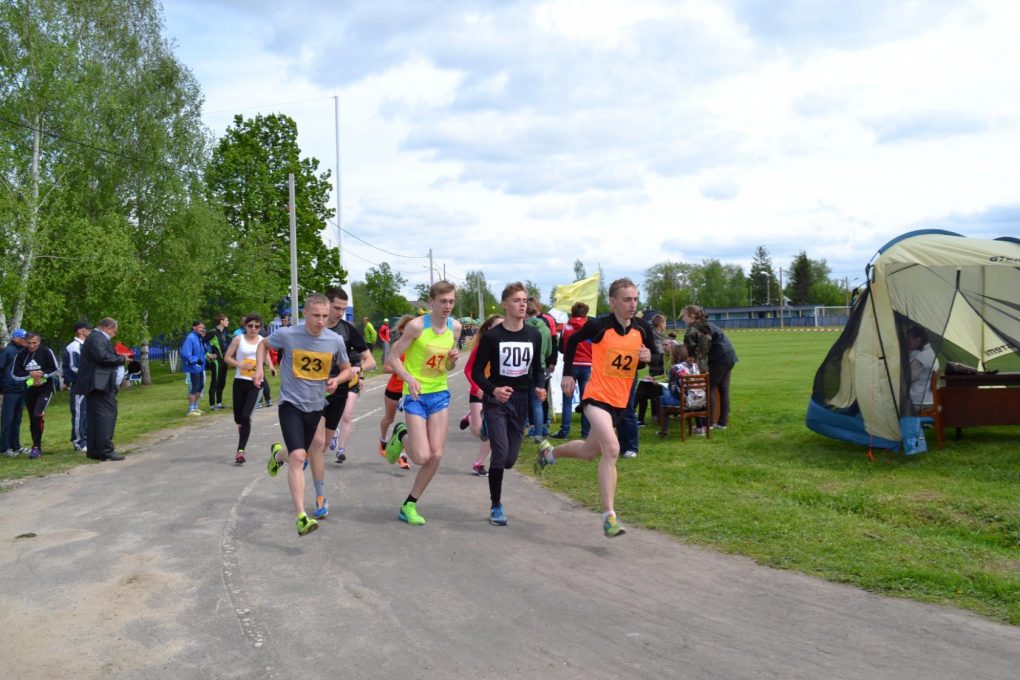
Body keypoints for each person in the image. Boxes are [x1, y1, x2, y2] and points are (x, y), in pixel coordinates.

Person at [537, 278, 658, 538]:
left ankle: (549, 453)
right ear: (613, 302)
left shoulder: (643, 329)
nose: (632, 304)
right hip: (597, 397)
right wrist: (567, 374)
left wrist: (649, 358)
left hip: (621, 401)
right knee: (612, 449)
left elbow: (654, 360)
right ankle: (609, 517)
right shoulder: (598, 326)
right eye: (627, 299)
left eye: (635, 299)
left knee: (589, 451)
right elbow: (569, 343)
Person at [254, 294, 351, 536]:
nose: (320, 321)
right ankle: (301, 517)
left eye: (324, 316)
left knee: (301, 453)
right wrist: (259, 369)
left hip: (316, 406)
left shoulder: (335, 340)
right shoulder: (288, 334)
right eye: (316, 316)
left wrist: (337, 380)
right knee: (299, 458)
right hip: (290, 404)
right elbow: (263, 344)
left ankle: (278, 455)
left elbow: (347, 370)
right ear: (305, 314)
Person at [383, 280, 461, 526]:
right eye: (443, 301)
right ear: (431, 302)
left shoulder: (455, 328)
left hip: (439, 393)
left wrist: (452, 361)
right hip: (416, 395)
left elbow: (447, 366)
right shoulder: (417, 327)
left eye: (451, 301)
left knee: (435, 456)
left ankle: (409, 504)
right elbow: (392, 357)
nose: (448, 306)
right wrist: (408, 378)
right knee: (420, 456)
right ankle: (400, 433)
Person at [471, 284, 545, 526]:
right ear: (505, 304)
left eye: (524, 300)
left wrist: (540, 386)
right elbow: (476, 371)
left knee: (510, 460)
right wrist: (494, 390)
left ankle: (489, 429)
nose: (522, 304)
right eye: (516, 300)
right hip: (497, 400)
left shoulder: (533, 335)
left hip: (521, 400)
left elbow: (537, 369)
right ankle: (496, 505)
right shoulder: (494, 336)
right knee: (500, 454)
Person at [322, 287, 377, 466]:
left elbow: (371, 361)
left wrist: (358, 368)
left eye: (344, 309)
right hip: (313, 388)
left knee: (320, 447)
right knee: (309, 442)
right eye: (337, 308)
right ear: (326, 304)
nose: (340, 313)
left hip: (339, 388)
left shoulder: (347, 330)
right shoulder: (313, 326)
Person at [74, 318, 129, 461]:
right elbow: (103, 357)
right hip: (99, 383)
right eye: (114, 332)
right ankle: (106, 450)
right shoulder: (97, 338)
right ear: (109, 328)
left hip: (96, 384)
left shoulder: (93, 338)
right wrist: (122, 359)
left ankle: (94, 450)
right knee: (107, 415)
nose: (114, 335)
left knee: (95, 417)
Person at [224, 313, 275, 465]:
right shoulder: (238, 339)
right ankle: (241, 425)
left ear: (260, 327)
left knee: (246, 416)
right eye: (250, 326)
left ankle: (240, 451)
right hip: (240, 381)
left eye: (257, 326)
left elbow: (265, 356)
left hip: (255, 383)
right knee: (238, 418)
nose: (253, 329)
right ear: (245, 326)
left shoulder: (262, 340)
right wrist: (239, 364)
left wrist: (271, 366)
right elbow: (227, 358)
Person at [460, 313, 505, 476]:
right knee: (478, 431)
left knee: (491, 431)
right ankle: (471, 417)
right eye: (497, 326)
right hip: (478, 391)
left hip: (495, 393)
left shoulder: (505, 346)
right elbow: (468, 370)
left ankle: (479, 463)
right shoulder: (481, 345)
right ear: (489, 328)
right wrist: (476, 386)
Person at [682, 304, 738, 430]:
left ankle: (709, 423)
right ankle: (722, 422)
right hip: (729, 356)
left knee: (709, 388)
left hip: (718, 358)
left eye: (684, 316)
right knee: (723, 389)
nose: (683, 319)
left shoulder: (694, 328)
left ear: (692, 316)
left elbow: (689, 349)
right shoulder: (707, 324)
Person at [12, 332, 60, 459]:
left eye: (35, 343)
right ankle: (36, 445)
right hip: (29, 391)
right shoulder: (21, 355)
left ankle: (36, 447)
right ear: (25, 342)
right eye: (29, 343)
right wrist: (30, 374)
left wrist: (42, 374)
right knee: (33, 419)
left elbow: (55, 369)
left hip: (45, 390)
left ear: (39, 342)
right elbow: (15, 374)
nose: (32, 346)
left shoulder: (46, 352)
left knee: (37, 415)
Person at [377, 314, 414, 471]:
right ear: (401, 329)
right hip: (394, 389)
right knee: (389, 418)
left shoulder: (419, 346)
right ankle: (383, 439)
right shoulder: (399, 346)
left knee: (410, 423)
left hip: (411, 390)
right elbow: (385, 367)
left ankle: (402, 456)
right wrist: (401, 372)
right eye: (409, 326)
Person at [552, 302, 592, 440]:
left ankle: (564, 431)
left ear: (572, 312)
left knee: (567, 399)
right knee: (585, 400)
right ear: (586, 313)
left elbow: (562, 348)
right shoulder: (590, 327)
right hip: (587, 365)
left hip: (570, 366)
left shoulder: (565, 327)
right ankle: (586, 432)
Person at [656, 343, 705, 437]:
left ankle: (664, 430)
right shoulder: (695, 366)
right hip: (698, 399)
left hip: (685, 401)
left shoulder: (675, 368)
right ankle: (699, 428)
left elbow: (673, 389)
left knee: (662, 397)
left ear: (675, 355)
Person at [524, 301, 555, 441]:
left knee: (522, 400)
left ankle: (523, 428)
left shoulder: (522, 328)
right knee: (538, 402)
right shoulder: (546, 328)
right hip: (540, 366)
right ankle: (538, 434)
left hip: (524, 367)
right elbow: (549, 350)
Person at [63, 321, 92, 452]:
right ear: (81, 331)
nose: (90, 331)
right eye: (88, 329)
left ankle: (86, 438)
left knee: (86, 413)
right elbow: (74, 367)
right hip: (80, 384)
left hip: (87, 384)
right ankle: (78, 442)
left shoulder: (84, 346)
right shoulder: (74, 347)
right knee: (79, 413)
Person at [1, 329, 29, 457]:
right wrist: (2, 387)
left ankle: (16, 446)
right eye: (23, 338)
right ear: (16, 338)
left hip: (21, 388)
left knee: (17, 419)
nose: (26, 341)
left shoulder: (22, 351)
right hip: (11, 389)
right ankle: (5, 447)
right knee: (8, 419)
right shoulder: (8, 351)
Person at [907, 325, 939, 414]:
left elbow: (909, 377)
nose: (907, 341)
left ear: (918, 340)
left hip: (919, 401)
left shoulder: (923, 357)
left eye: (909, 339)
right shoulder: (928, 352)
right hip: (924, 397)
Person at [180, 321, 208, 416]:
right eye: (200, 327)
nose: (202, 329)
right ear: (194, 327)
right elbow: (185, 353)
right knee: (195, 387)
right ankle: (191, 409)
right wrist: (196, 360)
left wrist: (204, 339)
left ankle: (196, 407)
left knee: (200, 386)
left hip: (200, 367)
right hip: (193, 366)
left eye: (202, 327)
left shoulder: (199, 338)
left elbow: (204, 350)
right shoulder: (190, 338)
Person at [207, 313, 230, 411]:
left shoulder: (224, 332)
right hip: (216, 361)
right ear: (221, 321)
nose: (228, 322)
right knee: (215, 382)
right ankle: (212, 405)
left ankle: (219, 403)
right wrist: (208, 354)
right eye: (226, 320)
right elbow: (201, 343)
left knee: (222, 382)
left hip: (224, 361)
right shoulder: (212, 332)